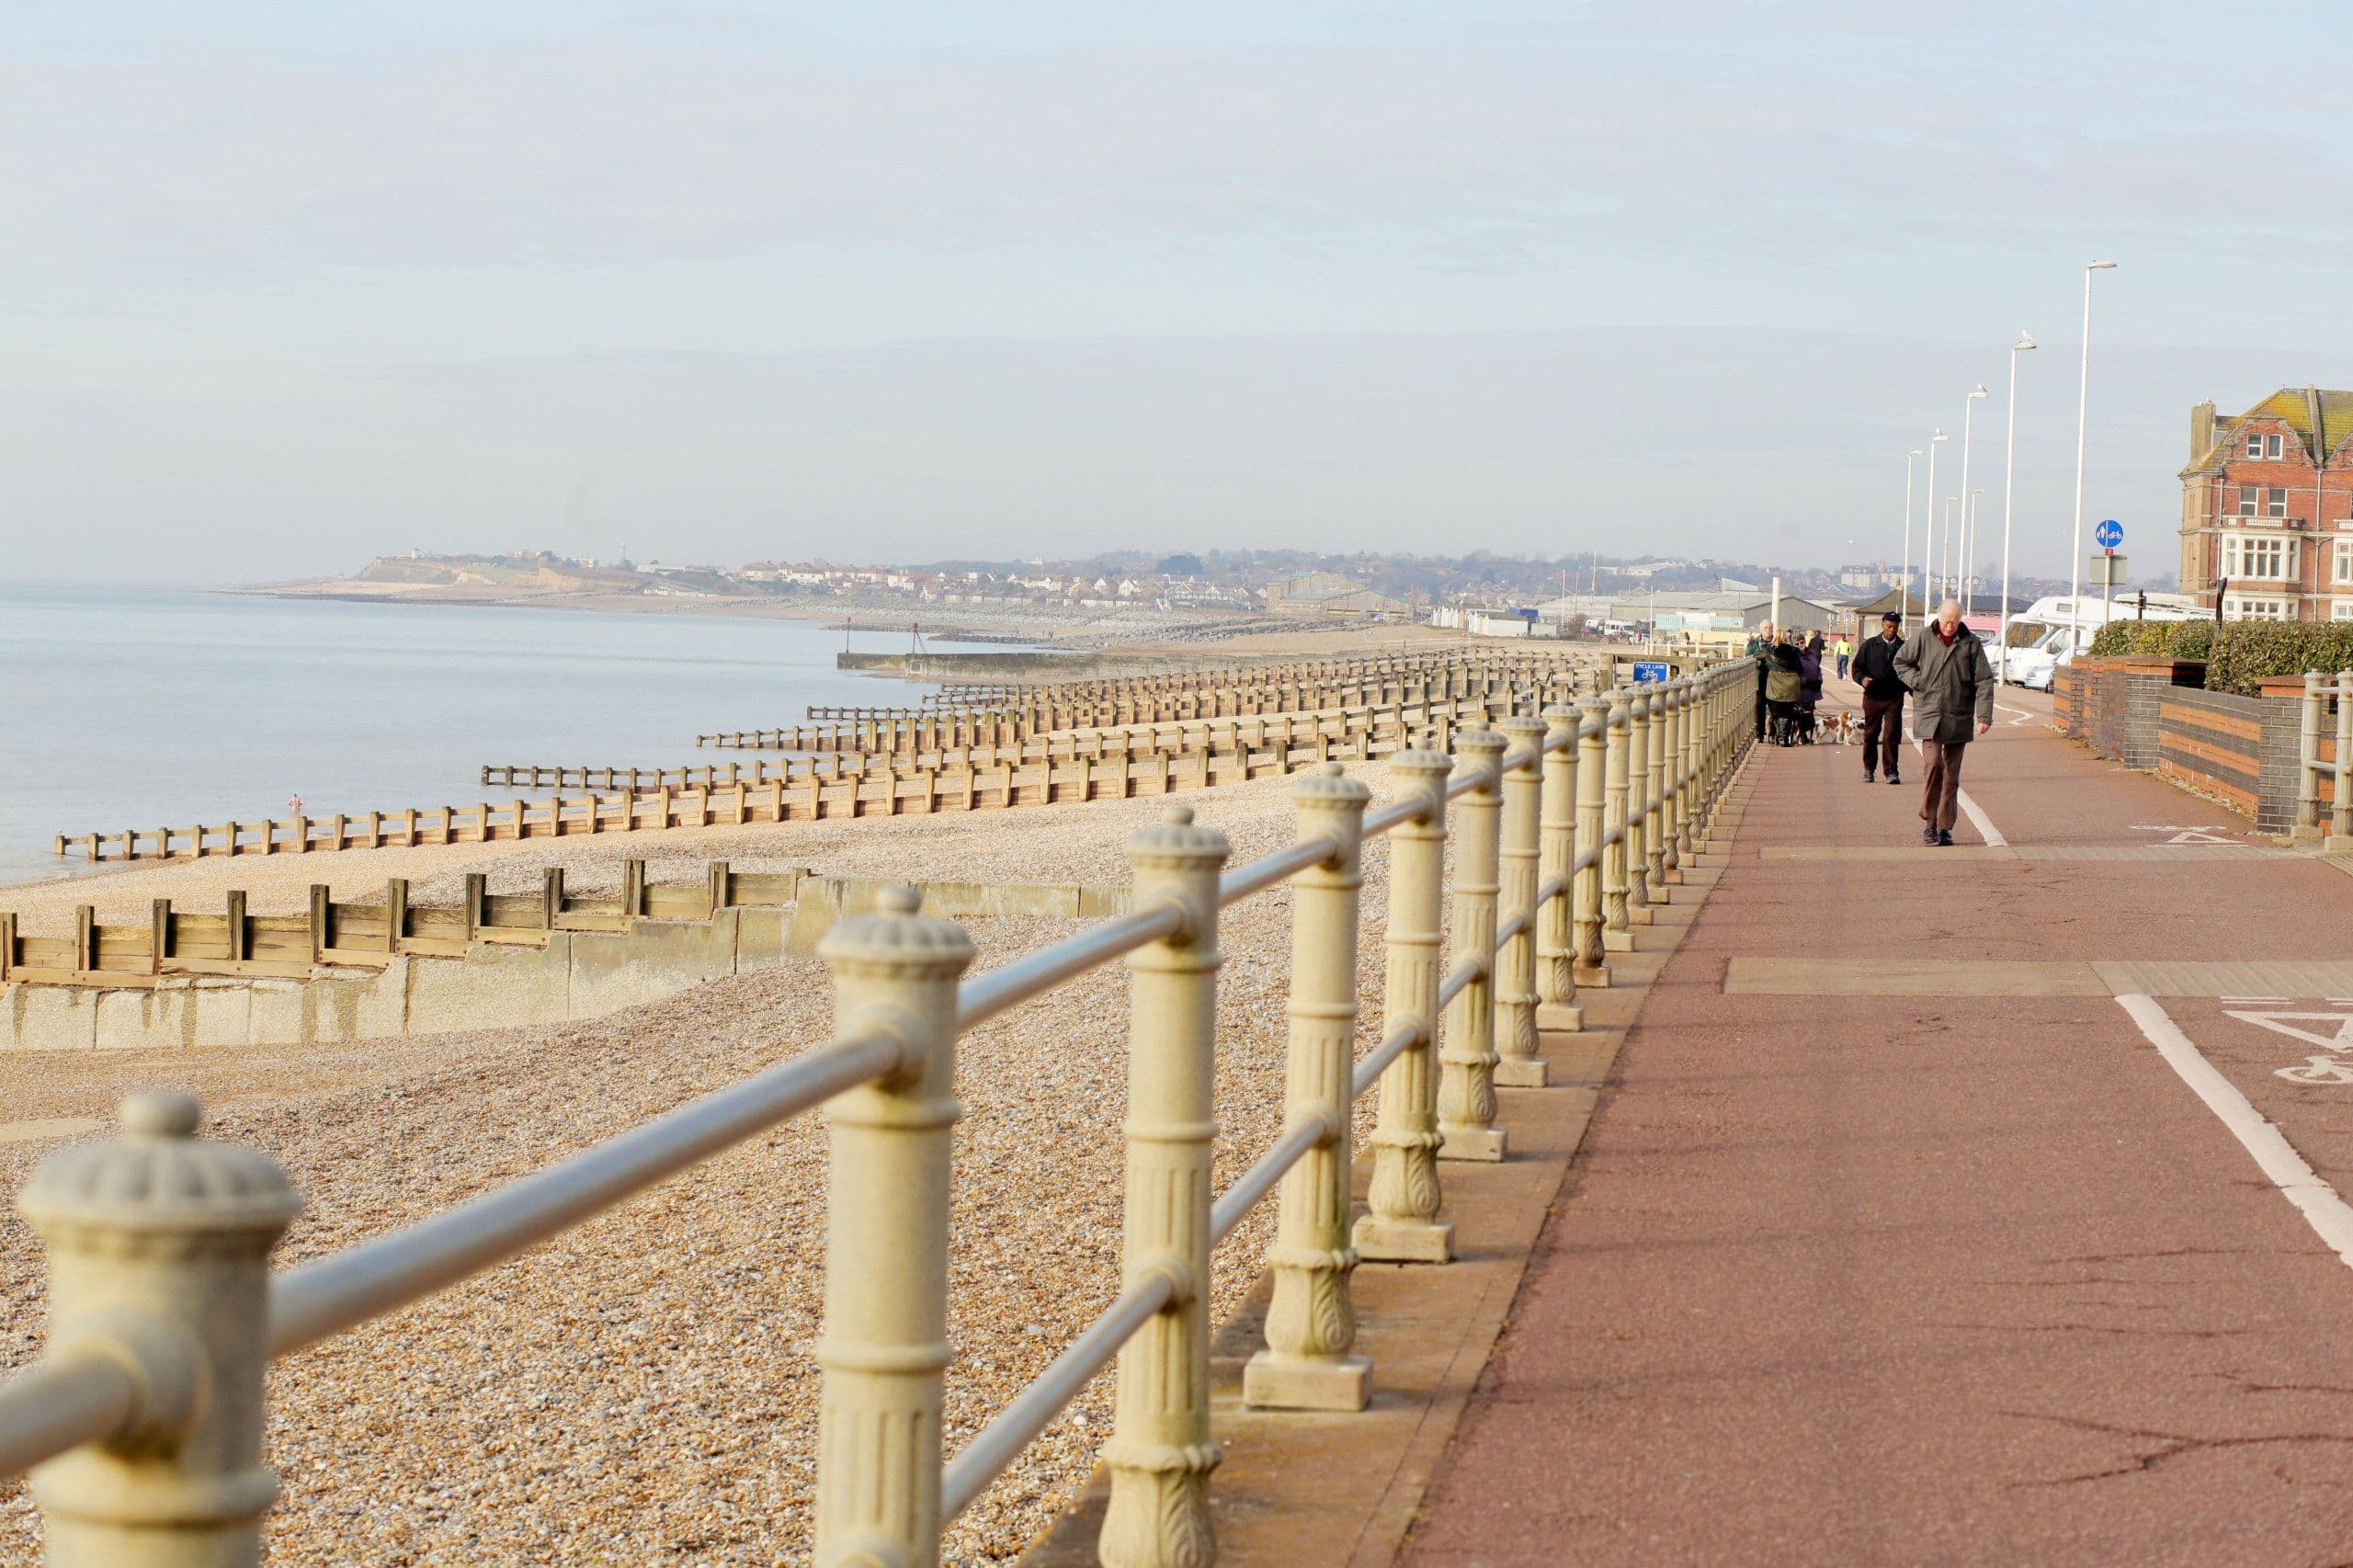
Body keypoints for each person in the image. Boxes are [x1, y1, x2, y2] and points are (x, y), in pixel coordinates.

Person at [1894, 597, 1995, 846]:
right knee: (1933, 766)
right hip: (1930, 714)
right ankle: (1930, 822)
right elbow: (1900, 662)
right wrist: (1918, 682)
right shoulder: (1922, 638)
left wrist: (1983, 717)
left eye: (1954, 621)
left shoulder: (1971, 644)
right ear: (1938, 618)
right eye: (1946, 621)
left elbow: (1983, 680)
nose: (1949, 626)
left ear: (1960, 619)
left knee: (1951, 776)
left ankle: (1945, 826)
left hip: (1958, 716)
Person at [1850, 611, 1906, 785]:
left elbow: (1912, 671)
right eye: (1889, 626)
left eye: (1895, 627)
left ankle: (1891, 771)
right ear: (1883, 625)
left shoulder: (1903, 648)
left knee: (1891, 735)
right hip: (1873, 697)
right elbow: (1856, 668)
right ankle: (1869, 769)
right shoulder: (1869, 646)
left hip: (1893, 698)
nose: (1891, 630)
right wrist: (1863, 679)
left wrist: (1909, 689)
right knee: (1871, 734)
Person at [1764, 632, 1805, 744]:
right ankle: (1784, 738)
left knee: (1776, 711)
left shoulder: (1768, 649)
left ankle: (1778, 735)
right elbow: (1800, 668)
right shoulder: (1794, 651)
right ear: (1787, 639)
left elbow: (1755, 656)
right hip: (1791, 684)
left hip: (1775, 683)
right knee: (1788, 712)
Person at [1797, 632, 1824, 743]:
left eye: (1802, 642)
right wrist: (1804, 680)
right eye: (1797, 643)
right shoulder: (1795, 655)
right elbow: (1793, 673)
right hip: (1801, 689)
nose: (1800, 644)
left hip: (1812, 689)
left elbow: (1818, 668)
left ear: (1805, 641)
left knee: (1810, 714)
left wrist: (1819, 680)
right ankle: (1801, 735)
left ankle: (1808, 735)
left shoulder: (1812, 653)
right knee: (1801, 714)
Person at [1751, 619, 1775, 738]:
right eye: (1766, 628)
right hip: (1759, 679)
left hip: (1775, 680)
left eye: (1770, 628)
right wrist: (1762, 654)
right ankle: (1759, 733)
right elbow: (1748, 656)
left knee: (1774, 707)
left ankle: (1774, 733)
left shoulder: (1778, 642)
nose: (1768, 630)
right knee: (1759, 707)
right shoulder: (1754, 642)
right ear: (1761, 629)